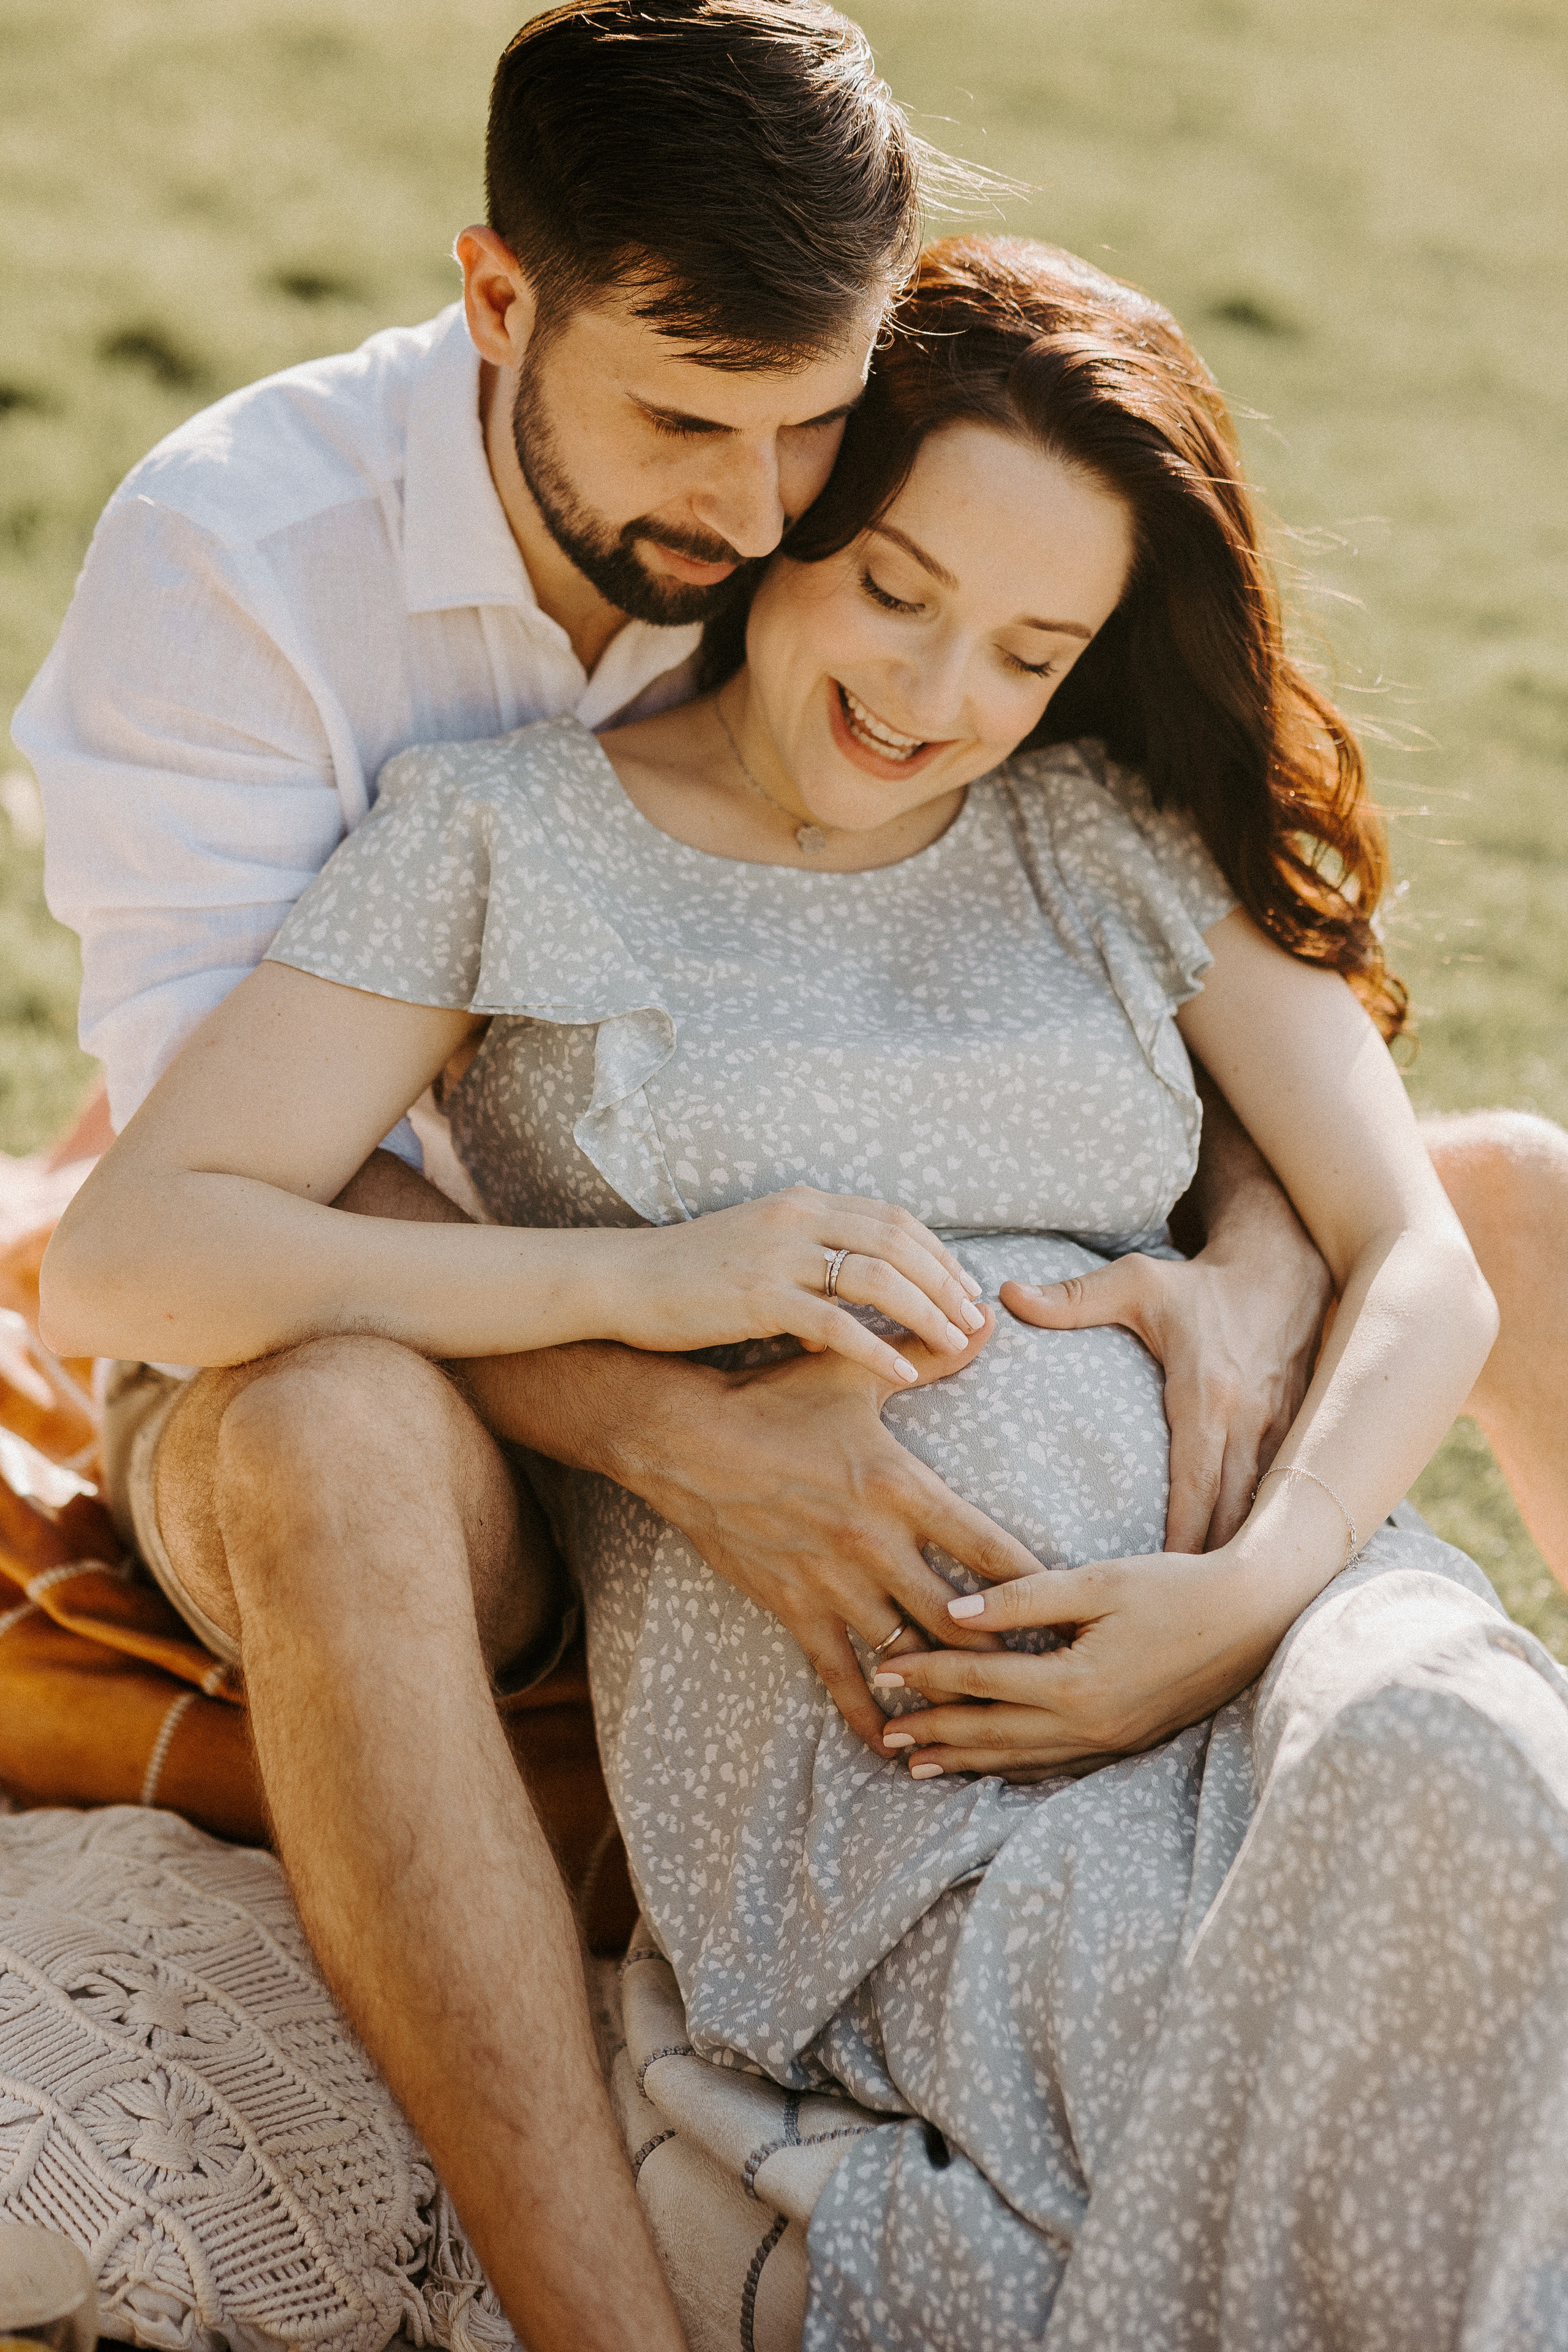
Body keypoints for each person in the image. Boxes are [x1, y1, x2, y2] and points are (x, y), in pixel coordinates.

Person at [45, 234, 1568, 2344]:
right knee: (1193, 2022)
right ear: (791, 528)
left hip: (1268, 1630)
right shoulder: (505, 838)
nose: (940, 701)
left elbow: (1417, 1249)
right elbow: (137, 1245)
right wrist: (655, 1282)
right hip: (908, 1775)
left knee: (1476, 1775)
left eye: (1032, 652)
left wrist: (1245, 1594)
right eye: (896, 593)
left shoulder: (1104, 830)